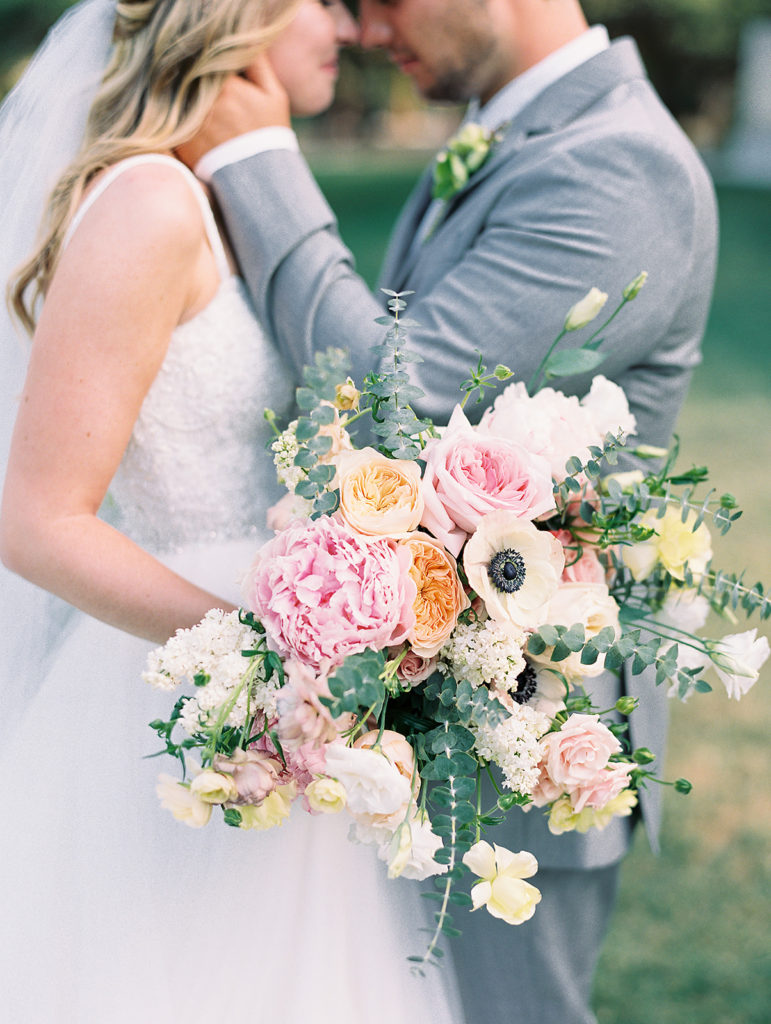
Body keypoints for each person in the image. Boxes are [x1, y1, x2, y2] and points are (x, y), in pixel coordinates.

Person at [175, 1, 719, 1021]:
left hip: (518, 748)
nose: (367, 31)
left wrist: (254, 158)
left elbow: (402, 392)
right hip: (420, 712)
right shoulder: (516, 134)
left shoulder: (621, 164)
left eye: (381, 0)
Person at [0, 2, 464, 1022]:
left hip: (280, 693)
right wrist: (262, 649)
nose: (347, 28)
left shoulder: (213, 200)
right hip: (182, 685)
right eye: (324, 3)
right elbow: (37, 520)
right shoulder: (150, 205)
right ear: (240, 17)